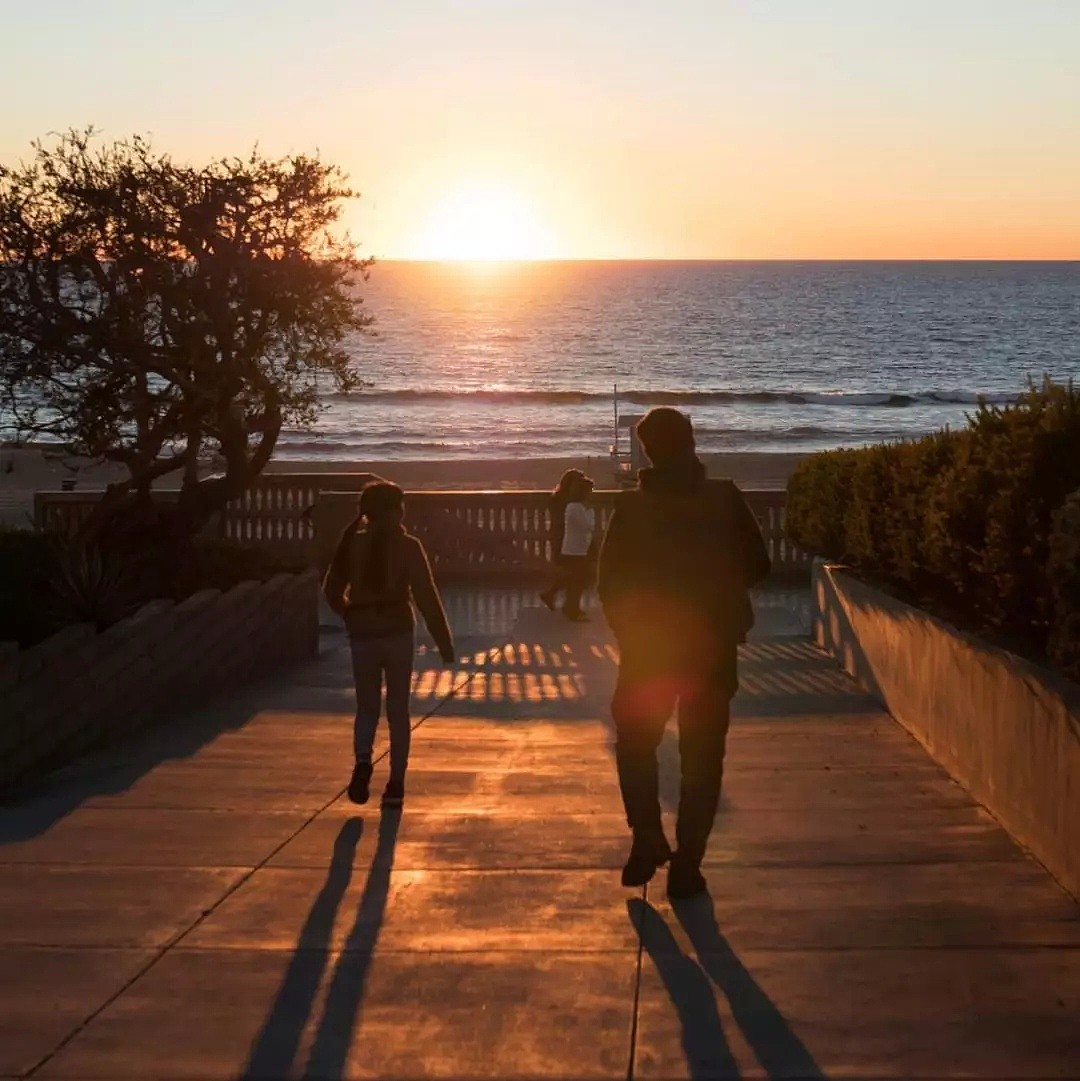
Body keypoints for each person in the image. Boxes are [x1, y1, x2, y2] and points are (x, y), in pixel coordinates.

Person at [597, 408, 771, 898]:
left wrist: (629, 628)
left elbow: (609, 581)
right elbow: (759, 564)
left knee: (635, 744)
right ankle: (688, 863)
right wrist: (717, 593)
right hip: (711, 650)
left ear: (648, 451)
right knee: (703, 757)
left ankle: (647, 835)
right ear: (692, 442)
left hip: (648, 651)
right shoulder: (723, 498)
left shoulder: (632, 510)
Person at [322, 482, 455, 808]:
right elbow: (426, 595)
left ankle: (364, 762)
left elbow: (331, 590)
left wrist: (351, 615)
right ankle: (396, 783)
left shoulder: (351, 543)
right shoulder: (409, 546)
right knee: (398, 710)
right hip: (397, 631)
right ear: (396, 511)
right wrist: (444, 642)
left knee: (366, 707)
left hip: (363, 633)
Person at [539, 469, 596, 622]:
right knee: (576, 575)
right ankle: (568, 605)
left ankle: (557, 598)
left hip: (565, 541)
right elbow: (584, 524)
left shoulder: (560, 500)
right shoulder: (573, 505)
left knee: (571, 574)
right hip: (570, 542)